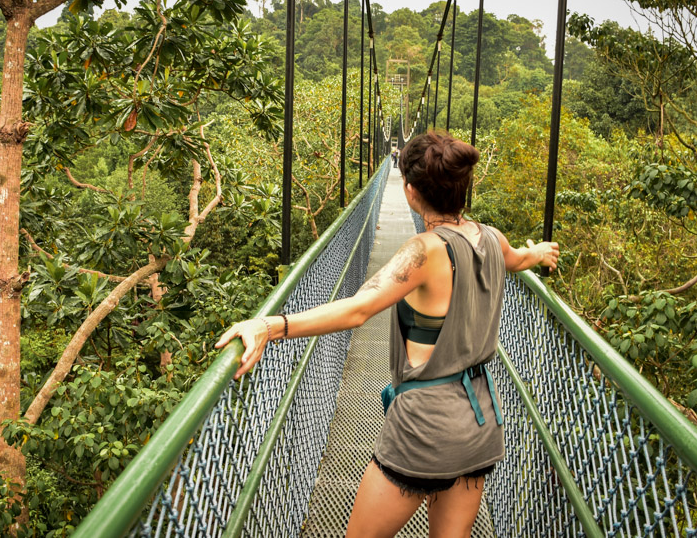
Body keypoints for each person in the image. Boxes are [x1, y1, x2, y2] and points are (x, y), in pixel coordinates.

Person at [216, 131, 560, 538]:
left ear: (411, 192)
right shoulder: (491, 237)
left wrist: (270, 325)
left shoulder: (424, 251)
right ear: (464, 188)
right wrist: (539, 253)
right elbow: (518, 260)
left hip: (424, 429)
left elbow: (358, 309)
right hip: (478, 423)